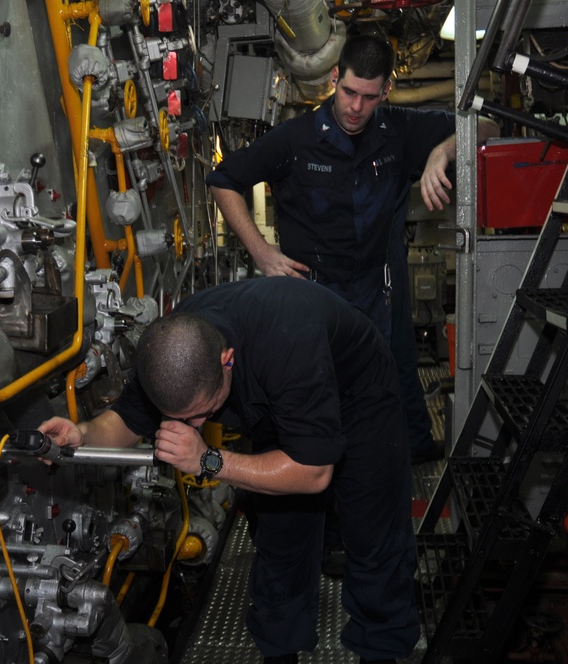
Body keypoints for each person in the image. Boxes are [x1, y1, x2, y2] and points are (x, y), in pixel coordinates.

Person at [39, 277, 418, 664]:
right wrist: (81, 435)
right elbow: (127, 420)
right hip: (278, 408)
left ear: (227, 360)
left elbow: (314, 471)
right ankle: (280, 654)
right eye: (181, 418)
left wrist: (209, 461)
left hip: (359, 398)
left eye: (204, 411)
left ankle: (380, 653)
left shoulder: (288, 344)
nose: (196, 425)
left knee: (375, 535)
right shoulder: (171, 352)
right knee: (280, 540)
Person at [206, 32, 500, 465]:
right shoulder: (295, 139)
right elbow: (222, 180)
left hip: (382, 286)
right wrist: (262, 252)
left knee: (396, 376)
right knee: (321, 393)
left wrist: (441, 152)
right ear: (333, 79)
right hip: (316, 294)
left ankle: (410, 459)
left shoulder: (399, 129)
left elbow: (488, 124)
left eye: (368, 96)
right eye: (348, 92)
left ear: (385, 91)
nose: (355, 107)